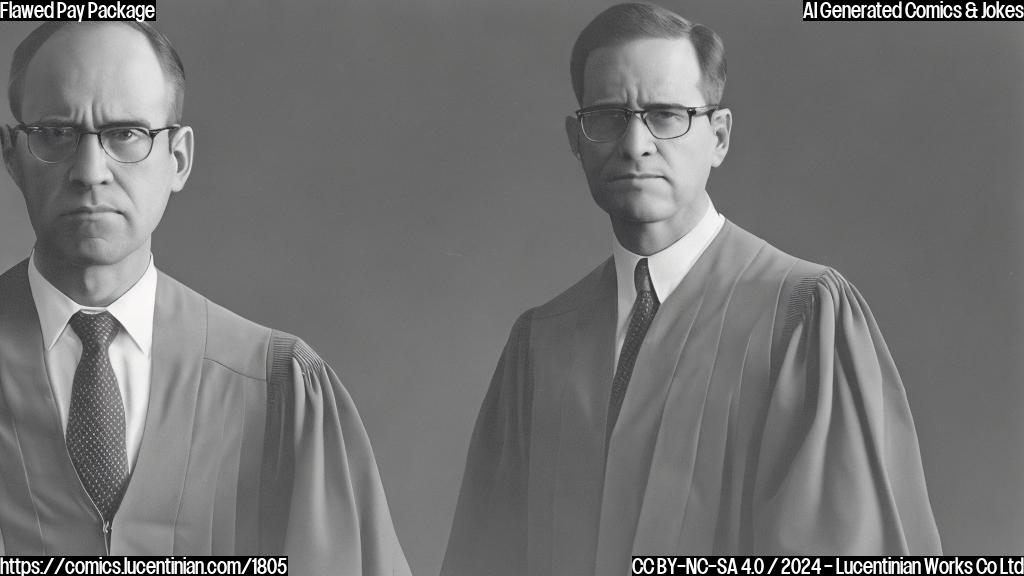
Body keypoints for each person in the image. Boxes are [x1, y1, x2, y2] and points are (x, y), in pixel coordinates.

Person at [442, 4, 942, 574]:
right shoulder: (540, 344)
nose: (635, 144)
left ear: (720, 136)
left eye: (666, 114)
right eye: (608, 115)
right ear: (576, 140)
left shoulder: (803, 317)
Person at [0, 21, 410, 575]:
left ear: (179, 158)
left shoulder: (276, 387)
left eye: (126, 134)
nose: (90, 172)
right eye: (55, 133)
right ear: (12, 156)